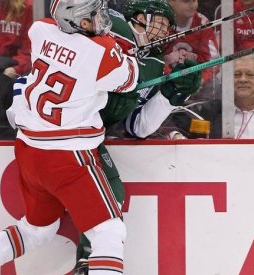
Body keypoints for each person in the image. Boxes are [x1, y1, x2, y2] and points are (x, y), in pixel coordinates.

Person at [0, 0, 139, 274]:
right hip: (69, 157)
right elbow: (129, 79)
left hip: (30, 150)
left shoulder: (41, 30)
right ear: (76, 20)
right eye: (92, 15)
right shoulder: (101, 52)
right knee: (109, 231)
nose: (100, 18)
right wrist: (127, 53)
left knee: (38, 229)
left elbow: (74, 54)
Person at [74, 0, 201, 274]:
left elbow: (137, 127)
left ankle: (86, 264)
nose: (167, 30)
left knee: (110, 196)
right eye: (162, 21)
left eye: (170, 25)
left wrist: (172, 95)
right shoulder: (112, 27)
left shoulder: (153, 66)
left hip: (89, 136)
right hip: (62, 124)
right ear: (140, 16)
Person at [165, 0, 220, 88]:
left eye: (194, 1)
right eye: (186, 1)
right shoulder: (159, 24)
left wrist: (200, 80)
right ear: (170, 2)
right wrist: (172, 79)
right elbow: (155, 60)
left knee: (215, 85)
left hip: (196, 81)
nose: (192, 6)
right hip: (165, 81)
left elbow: (213, 62)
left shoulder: (202, 24)